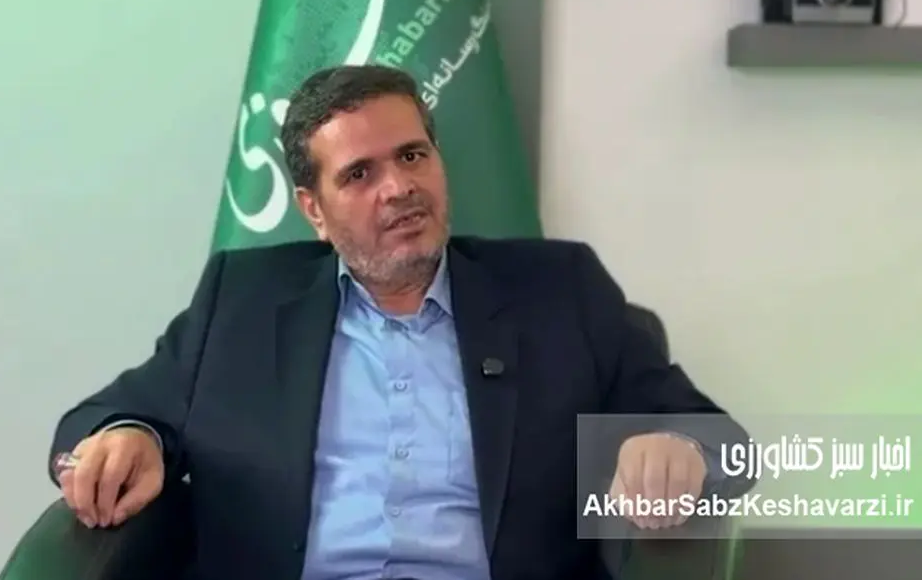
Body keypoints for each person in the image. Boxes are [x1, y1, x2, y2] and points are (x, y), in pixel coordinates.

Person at [49, 65, 750, 580]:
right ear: (313, 210)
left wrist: (677, 449)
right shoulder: (243, 303)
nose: (399, 187)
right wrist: (128, 436)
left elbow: (723, 444)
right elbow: (108, 416)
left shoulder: (558, 293)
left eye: (412, 155)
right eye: (359, 174)